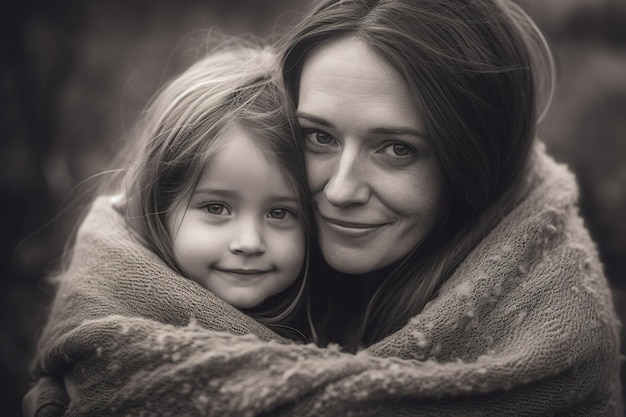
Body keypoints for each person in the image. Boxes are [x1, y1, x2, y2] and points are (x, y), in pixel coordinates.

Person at [26, 0, 622, 415]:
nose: (339, 190)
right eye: (319, 137)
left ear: (473, 162)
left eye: (395, 149)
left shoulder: (551, 328)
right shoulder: (156, 258)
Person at [25, 43, 314, 416]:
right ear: (159, 206)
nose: (249, 242)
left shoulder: (331, 314)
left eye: (280, 213)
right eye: (216, 207)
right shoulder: (114, 322)